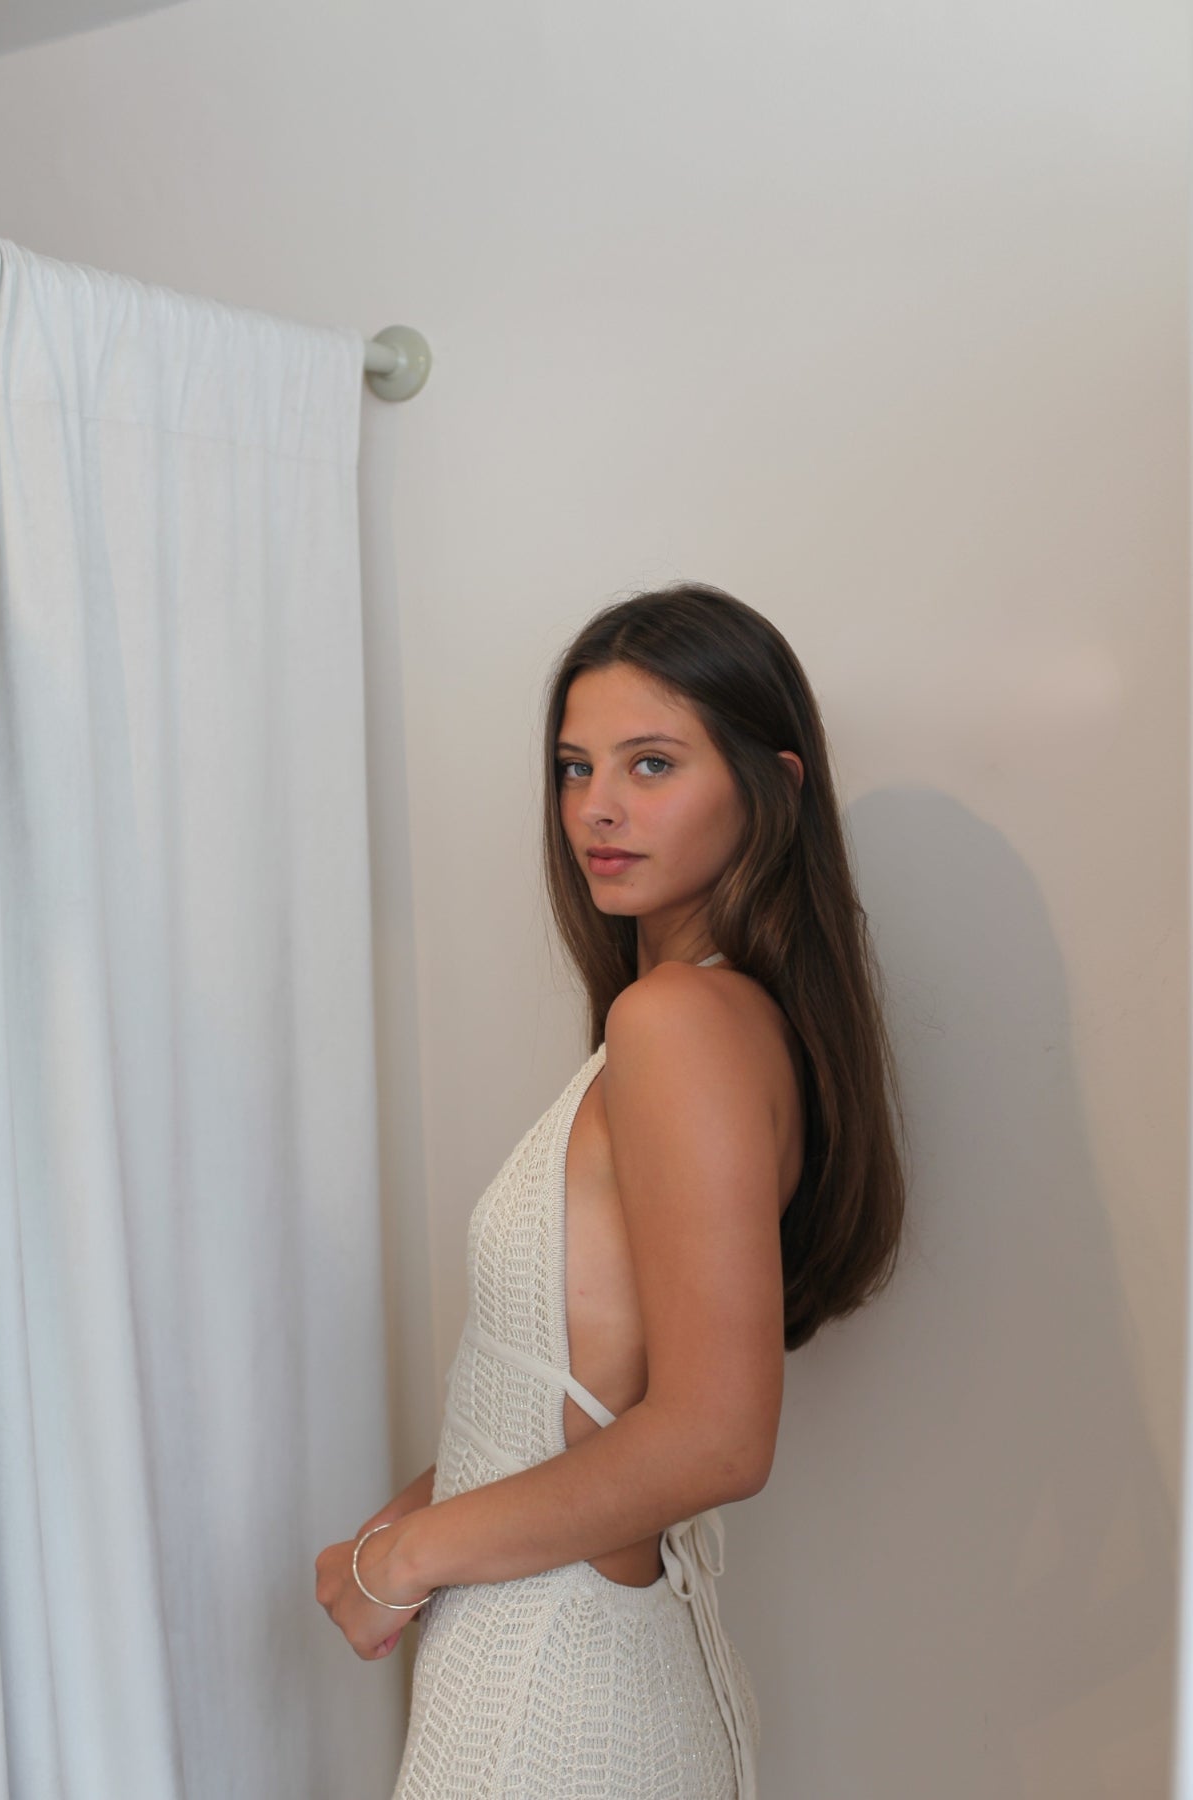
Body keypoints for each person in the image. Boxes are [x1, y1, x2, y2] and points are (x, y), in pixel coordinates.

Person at [315, 581, 907, 1798]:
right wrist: (403, 1524)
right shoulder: (710, 1024)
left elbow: (715, 1435)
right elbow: (576, 1399)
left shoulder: (679, 1023)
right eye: (575, 768)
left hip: (556, 1684)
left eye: (652, 764)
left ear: (773, 786)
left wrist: (404, 1561)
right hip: (579, 1667)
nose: (597, 807)